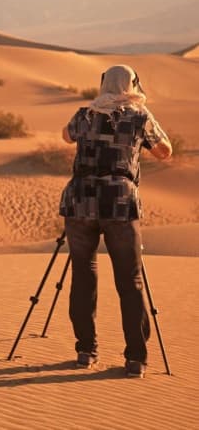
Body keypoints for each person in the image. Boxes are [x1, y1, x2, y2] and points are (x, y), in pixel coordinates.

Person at [59, 64, 172, 379]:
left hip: (80, 201)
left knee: (82, 275)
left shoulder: (84, 114)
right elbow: (166, 151)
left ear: (104, 84)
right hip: (119, 203)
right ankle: (136, 358)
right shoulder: (139, 116)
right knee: (130, 280)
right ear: (133, 84)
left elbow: (66, 136)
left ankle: (85, 351)